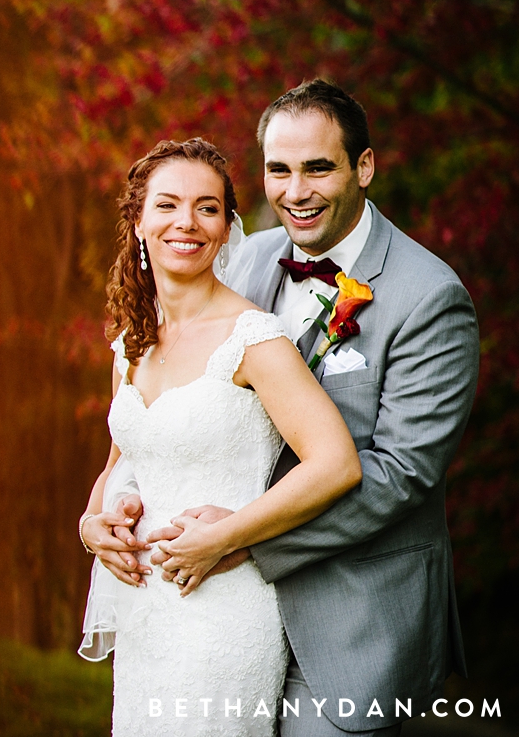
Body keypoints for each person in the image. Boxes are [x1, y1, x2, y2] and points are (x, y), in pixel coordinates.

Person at [86, 80, 480, 736]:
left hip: (349, 618)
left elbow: (401, 474)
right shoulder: (246, 257)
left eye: (318, 167)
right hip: (211, 597)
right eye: (278, 169)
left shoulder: (428, 297)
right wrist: (102, 514)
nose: (295, 191)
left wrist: (241, 537)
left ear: (364, 166)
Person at [77, 136, 363, 736]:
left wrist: (224, 537)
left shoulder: (254, 339)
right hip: (147, 615)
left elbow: (336, 463)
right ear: (137, 222)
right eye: (168, 205)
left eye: (207, 208)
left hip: (223, 612)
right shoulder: (129, 344)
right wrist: (91, 522)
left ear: (226, 226)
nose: (187, 222)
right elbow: (120, 465)